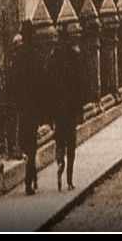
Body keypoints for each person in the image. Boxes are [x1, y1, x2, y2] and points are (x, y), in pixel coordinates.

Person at [49, 24, 85, 191]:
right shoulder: (74, 56)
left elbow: (48, 86)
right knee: (71, 143)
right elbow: (79, 85)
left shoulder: (53, 58)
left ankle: (59, 162)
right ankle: (69, 179)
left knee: (60, 140)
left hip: (58, 108)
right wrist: (80, 109)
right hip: (70, 108)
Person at [11, 20, 46, 195]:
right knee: (32, 143)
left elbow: (14, 82)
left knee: (26, 141)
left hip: (22, 105)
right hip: (34, 105)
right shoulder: (35, 55)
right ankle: (30, 179)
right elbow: (41, 82)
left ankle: (31, 176)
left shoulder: (18, 56)